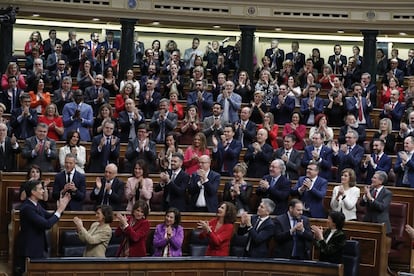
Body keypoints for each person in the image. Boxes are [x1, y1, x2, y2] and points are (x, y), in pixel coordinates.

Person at [14, 180, 70, 276]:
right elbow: (46, 224)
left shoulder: (36, 205)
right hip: (30, 249)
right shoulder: (27, 208)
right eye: (41, 189)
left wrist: (61, 208)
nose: (43, 191)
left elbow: (49, 216)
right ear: (33, 192)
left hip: (38, 247)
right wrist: (59, 210)